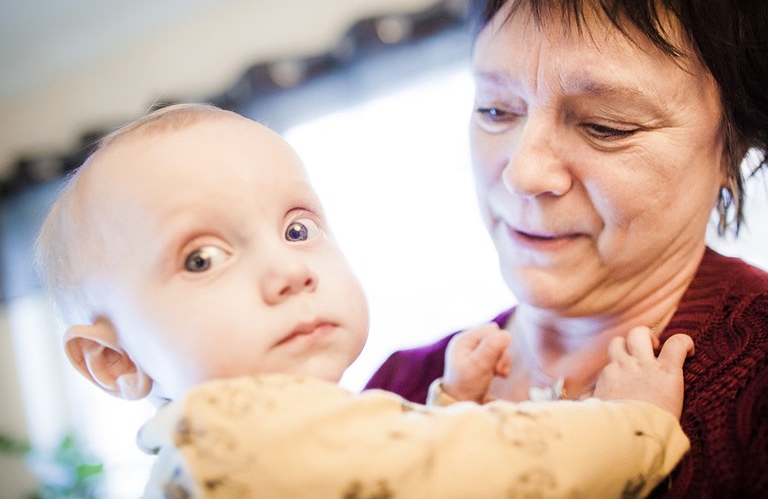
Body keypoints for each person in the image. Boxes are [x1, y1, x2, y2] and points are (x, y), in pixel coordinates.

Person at [34, 103, 694, 498]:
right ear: (115, 361)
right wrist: (635, 421)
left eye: (297, 229)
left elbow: (393, 475)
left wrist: (453, 405)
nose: (289, 270)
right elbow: (497, 473)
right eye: (201, 258)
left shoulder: (237, 455)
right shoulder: (236, 432)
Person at [366, 0, 768, 497]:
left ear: (736, 145)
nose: (524, 172)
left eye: (606, 126)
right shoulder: (399, 388)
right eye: (496, 110)